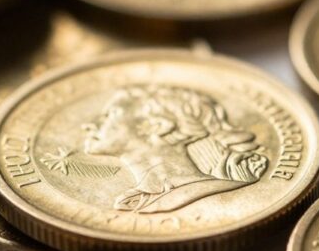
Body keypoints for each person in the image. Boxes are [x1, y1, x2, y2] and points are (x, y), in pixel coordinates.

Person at [81, 85, 268, 214]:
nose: (88, 125)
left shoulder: (206, 192)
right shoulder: (137, 199)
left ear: (158, 125)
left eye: (110, 114)